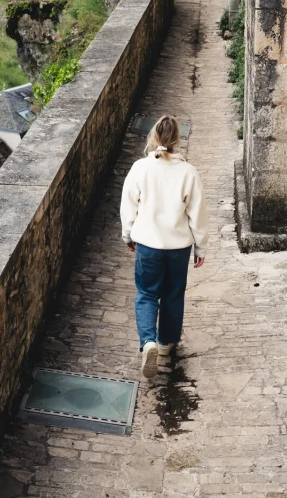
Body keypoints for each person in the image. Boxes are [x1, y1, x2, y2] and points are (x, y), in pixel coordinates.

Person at [120, 114, 209, 379]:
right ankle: (165, 342)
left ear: (154, 136)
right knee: (173, 294)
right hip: (178, 247)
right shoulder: (188, 172)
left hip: (148, 244)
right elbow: (197, 214)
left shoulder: (140, 168)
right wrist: (201, 247)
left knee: (147, 293)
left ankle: (147, 341)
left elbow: (128, 205)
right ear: (177, 140)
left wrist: (128, 235)